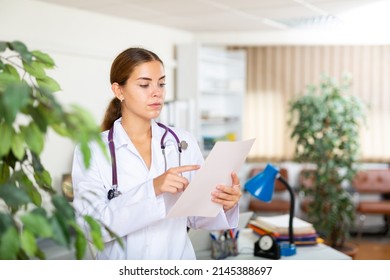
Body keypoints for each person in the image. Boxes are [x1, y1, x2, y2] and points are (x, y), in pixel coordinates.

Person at [71, 47, 242, 259]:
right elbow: (92, 228)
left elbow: (196, 217)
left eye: (161, 83)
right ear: (119, 90)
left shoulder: (182, 142)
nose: (157, 92)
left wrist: (225, 203)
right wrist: (152, 188)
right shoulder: (94, 150)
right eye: (144, 84)